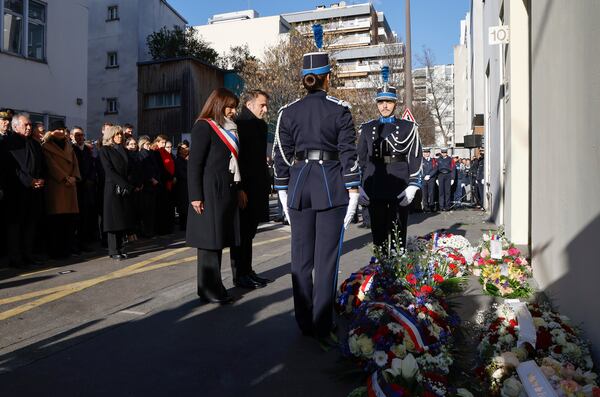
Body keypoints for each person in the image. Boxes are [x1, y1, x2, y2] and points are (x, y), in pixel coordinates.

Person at [273, 26, 360, 342]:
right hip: (331, 185)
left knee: (301, 258)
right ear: (327, 77)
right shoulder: (340, 109)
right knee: (326, 260)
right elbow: (349, 153)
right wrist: (353, 189)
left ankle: (303, 321)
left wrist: (282, 189)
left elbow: (281, 154)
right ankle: (322, 322)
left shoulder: (287, 112)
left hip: (298, 186)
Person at [187, 88, 243, 304]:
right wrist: (195, 196)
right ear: (218, 105)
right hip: (209, 190)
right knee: (209, 242)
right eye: (229, 106)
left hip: (226, 189)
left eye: (234, 107)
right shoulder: (204, 126)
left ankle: (214, 285)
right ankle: (209, 289)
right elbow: (195, 164)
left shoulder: (229, 128)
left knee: (218, 240)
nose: (232, 111)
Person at [357, 66, 423, 249]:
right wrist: (358, 186)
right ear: (376, 104)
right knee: (378, 235)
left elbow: (415, 156)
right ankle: (381, 271)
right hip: (375, 184)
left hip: (398, 184)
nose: (384, 106)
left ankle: (397, 272)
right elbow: (360, 159)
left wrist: (413, 184)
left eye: (388, 102)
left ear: (395, 103)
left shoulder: (408, 127)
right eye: (380, 102)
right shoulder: (367, 128)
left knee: (398, 233)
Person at [229, 89, 274, 289]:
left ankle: (247, 270)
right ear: (249, 105)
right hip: (245, 188)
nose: (265, 109)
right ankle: (239, 274)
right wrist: (239, 188)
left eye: (265, 105)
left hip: (257, 187)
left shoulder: (260, 125)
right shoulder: (239, 125)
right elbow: (237, 161)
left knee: (250, 233)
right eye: (262, 105)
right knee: (242, 234)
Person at [2, 113, 46, 267]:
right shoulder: (7, 143)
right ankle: (15, 258)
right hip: (16, 191)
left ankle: (28, 254)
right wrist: (29, 181)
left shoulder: (33, 143)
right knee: (15, 226)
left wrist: (40, 179)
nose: (29, 128)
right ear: (15, 126)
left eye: (29, 125)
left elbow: (40, 165)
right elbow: (11, 169)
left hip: (34, 191)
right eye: (25, 125)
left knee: (30, 224)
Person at [42, 121, 81, 259]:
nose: (63, 132)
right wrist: (65, 178)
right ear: (52, 131)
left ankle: (67, 249)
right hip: (57, 186)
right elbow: (51, 165)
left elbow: (75, 163)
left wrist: (75, 177)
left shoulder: (69, 145)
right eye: (59, 129)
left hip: (70, 186)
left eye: (64, 129)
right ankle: (56, 251)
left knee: (69, 222)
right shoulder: (46, 146)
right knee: (56, 223)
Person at [99, 125, 135, 260]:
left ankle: (121, 248)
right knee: (113, 220)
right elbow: (109, 170)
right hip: (113, 188)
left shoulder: (122, 150)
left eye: (121, 134)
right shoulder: (105, 150)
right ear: (111, 136)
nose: (120, 136)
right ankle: (113, 250)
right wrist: (124, 184)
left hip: (124, 188)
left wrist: (130, 182)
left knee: (122, 219)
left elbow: (129, 168)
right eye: (117, 135)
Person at [71, 126, 97, 252]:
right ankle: (75, 244)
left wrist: (90, 179)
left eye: (81, 135)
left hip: (87, 187)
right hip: (76, 186)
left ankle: (84, 242)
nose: (80, 137)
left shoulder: (87, 149)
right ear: (72, 136)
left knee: (86, 216)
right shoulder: (71, 149)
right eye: (77, 135)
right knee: (76, 217)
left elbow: (92, 166)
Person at [138, 135, 160, 237]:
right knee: (146, 210)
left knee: (152, 209)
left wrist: (156, 178)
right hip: (147, 185)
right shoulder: (141, 154)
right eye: (147, 144)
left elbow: (155, 167)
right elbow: (143, 170)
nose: (148, 145)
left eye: (149, 144)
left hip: (153, 184)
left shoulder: (150, 153)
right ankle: (147, 231)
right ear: (142, 144)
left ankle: (150, 230)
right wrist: (151, 178)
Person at [152, 135, 175, 235]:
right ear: (157, 142)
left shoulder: (165, 152)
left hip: (169, 181)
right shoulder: (156, 153)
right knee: (162, 208)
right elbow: (161, 168)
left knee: (168, 207)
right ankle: (162, 229)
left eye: (165, 143)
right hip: (163, 182)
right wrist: (170, 177)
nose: (163, 144)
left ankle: (168, 228)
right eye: (162, 142)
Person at [173, 143, 189, 231]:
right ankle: (183, 226)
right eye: (183, 148)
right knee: (183, 207)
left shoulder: (188, 159)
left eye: (187, 147)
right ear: (179, 150)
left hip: (187, 185)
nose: (186, 149)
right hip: (182, 186)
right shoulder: (178, 160)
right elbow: (180, 173)